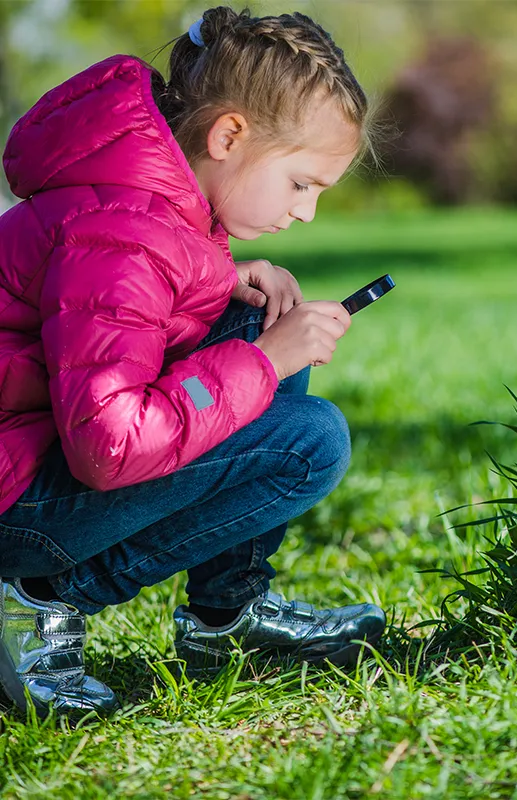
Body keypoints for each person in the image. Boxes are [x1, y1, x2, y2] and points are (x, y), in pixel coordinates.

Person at [0, 6, 386, 720]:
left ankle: (226, 616)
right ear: (229, 135)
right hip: (13, 507)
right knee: (310, 442)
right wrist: (263, 362)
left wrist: (229, 290)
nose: (306, 213)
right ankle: (38, 600)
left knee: (257, 315)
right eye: (302, 184)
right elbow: (108, 449)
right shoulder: (124, 234)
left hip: (24, 462)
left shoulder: (153, 208)